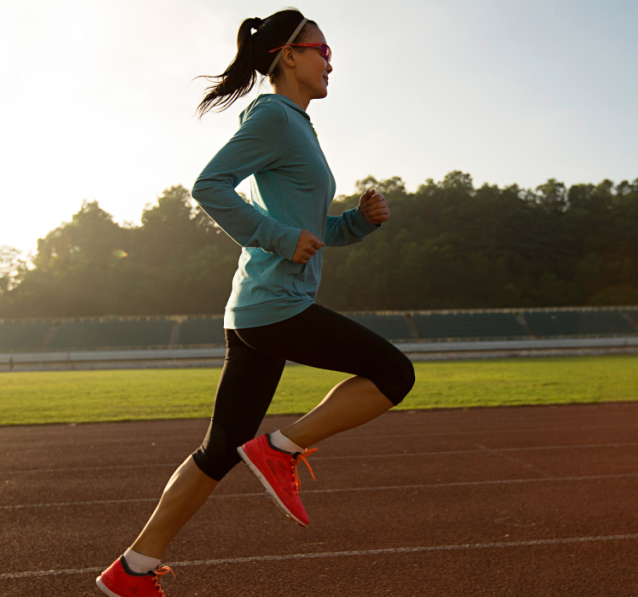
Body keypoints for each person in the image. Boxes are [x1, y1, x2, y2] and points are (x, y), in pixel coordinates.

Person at [96, 9, 415, 596]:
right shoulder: (275, 117)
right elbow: (209, 186)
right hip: (277, 304)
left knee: (217, 452)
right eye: (321, 50)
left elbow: (311, 230)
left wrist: (358, 223)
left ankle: (133, 569)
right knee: (394, 373)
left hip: (256, 310)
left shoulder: (295, 124)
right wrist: (277, 237)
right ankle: (280, 449)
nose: (330, 62)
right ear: (288, 56)